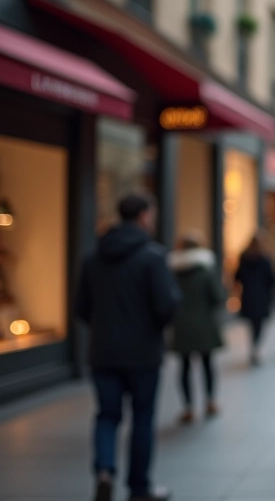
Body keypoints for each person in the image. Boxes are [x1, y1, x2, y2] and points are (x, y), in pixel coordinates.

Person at [75, 193, 180, 501]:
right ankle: (139, 487)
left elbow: (81, 308)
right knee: (142, 418)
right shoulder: (153, 257)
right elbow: (167, 305)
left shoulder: (93, 258)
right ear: (145, 216)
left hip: (103, 351)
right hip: (143, 354)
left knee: (107, 415)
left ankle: (105, 470)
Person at [169, 230, 225, 424]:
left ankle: (188, 407)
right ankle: (209, 401)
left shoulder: (173, 271)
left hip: (181, 325)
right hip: (204, 324)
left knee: (184, 367)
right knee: (207, 364)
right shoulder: (205, 270)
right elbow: (218, 297)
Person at [235, 234, 275, 366]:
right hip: (261, 296)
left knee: (253, 324)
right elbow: (271, 279)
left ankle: (254, 346)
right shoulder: (265, 258)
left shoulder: (244, 257)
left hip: (248, 295)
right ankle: (256, 346)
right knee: (259, 324)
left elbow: (238, 276)